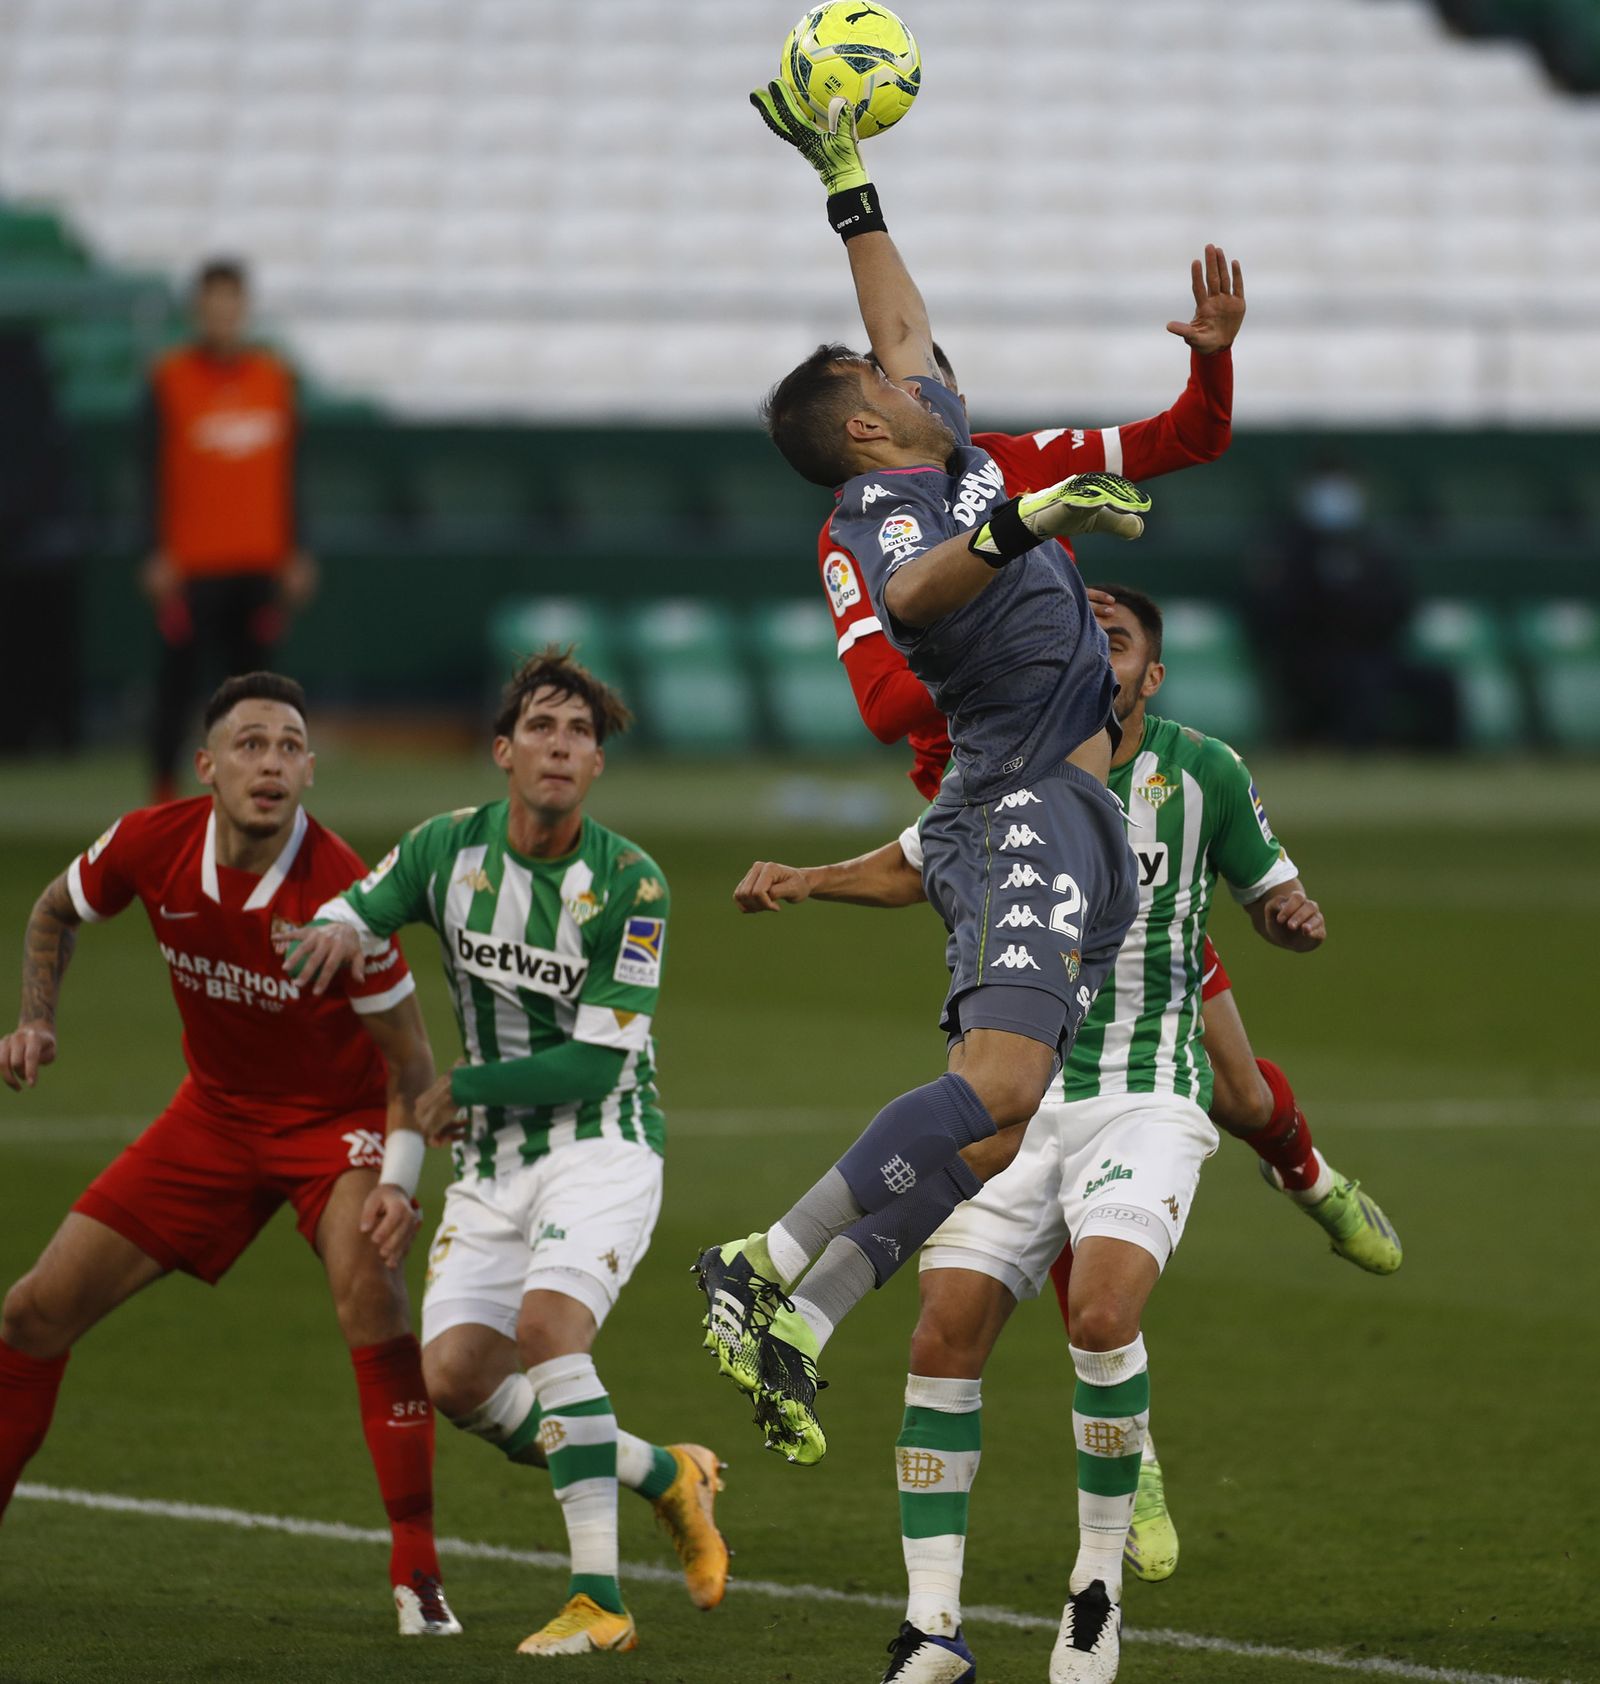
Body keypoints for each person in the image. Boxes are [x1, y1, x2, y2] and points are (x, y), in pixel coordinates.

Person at [732, 587, 1396, 1684]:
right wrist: (809, 878)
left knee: (1100, 1307)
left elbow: (1273, 889)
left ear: (1148, 676)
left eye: (1118, 639)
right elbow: (913, 855)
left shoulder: (1205, 775)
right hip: (1012, 1092)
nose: (1095, 652)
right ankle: (931, 1629)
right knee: (942, 1334)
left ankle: (1094, 1599)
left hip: (1143, 1091)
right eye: (1084, 634)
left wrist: (1288, 916)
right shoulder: (1002, 755)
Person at [696, 79, 1151, 1471]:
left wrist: (849, 180)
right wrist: (1028, 519)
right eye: (898, 381)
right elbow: (915, 597)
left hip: (1047, 805)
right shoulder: (891, 504)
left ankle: (803, 1314)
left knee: (1007, 1130)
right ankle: (760, 1258)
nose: (921, 365)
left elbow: (894, 319)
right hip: (1022, 801)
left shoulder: (933, 443)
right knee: (1007, 1088)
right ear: (871, 431)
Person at [284, 649, 727, 1659]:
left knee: (547, 1327)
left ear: (597, 766)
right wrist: (323, 935)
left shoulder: (632, 882)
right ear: (503, 749)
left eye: (581, 734)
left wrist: (459, 1090)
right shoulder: (447, 848)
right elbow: (359, 909)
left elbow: (598, 1055)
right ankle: (666, 1474)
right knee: (454, 1376)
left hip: (603, 1138)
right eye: (542, 727)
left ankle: (597, 1599)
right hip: (490, 1163)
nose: (560, 745)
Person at [0, 672, 459, 1639]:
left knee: (372, 1292)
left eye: (291, 746)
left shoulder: (347, 899)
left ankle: (418, 1574)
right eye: (250, 745)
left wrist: (401, 1188)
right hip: (211, 1116)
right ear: (206, 767)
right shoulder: (148, 842)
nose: (272, 763)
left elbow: (412, 1064)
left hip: (335, 1127)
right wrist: (35, 1022)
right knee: (33, 1312)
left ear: (310, 771)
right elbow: (53, 911)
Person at [141, 259, 318, 802]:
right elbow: (149, 470)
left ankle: (254, 797)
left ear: (244, 309)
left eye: (231, 304)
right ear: (199, 309)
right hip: (193, 562)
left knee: (260, 694)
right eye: (212, 304)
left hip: (259, 560)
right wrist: (154, 550)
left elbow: (293, 471)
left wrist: (298, 549)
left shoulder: (274, 379)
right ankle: (165, 799)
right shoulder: (170, 380)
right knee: (180, 686)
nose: (222, 316)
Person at [1253, 458, 1458, 751]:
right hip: (1311, 658)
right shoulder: (1286, 546)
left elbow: (1399, 603)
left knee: (1439, 680)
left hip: (1374, 651)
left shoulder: (1371, 545)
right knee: (1360, 681)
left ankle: (1443, 755)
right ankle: (1359, 752)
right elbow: (1276, 611)